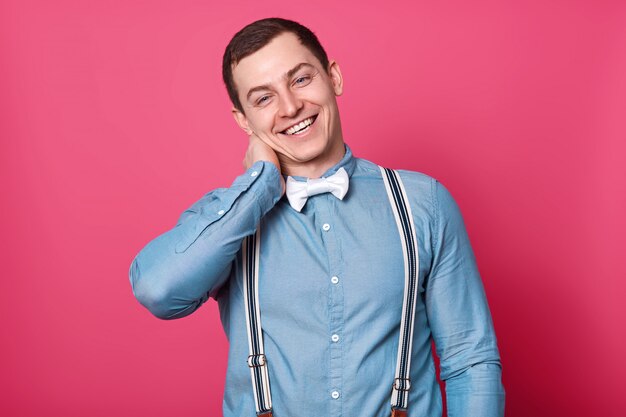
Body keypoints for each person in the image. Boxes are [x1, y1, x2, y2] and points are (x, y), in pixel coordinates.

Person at [129, 17, 505, 417]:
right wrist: (258, 188)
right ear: (244, 121)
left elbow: (471, 360)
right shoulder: (226, 219)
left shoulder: (423, 203)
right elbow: (158, 291)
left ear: (334, 78)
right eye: (263, 99)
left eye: (301, 79)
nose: (291, 107)